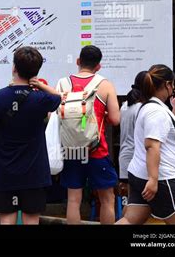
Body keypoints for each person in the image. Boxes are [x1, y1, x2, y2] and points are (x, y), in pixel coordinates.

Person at [0, 47, 61, 225]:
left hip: (6, 171)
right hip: (35, 172)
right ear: (36, 72)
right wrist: (39, 85)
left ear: (14, 68)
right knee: (31, 219)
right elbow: (58, 96)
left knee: (7, 217)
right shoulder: (41, 99)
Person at [117, 64, 175, 225]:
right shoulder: (156, 111)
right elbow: (152, 145)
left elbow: (169, 136)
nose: (174, 87)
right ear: (167, 84)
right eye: (173, 83)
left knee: (130, 220)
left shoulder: (150, 107)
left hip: (140, 173)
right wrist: (153, 179)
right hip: (162, 176)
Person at [58, 45, 120, 225]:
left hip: (71, 149)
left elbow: (54, 115)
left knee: (73, 200)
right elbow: (115, 119)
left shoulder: (63, 84)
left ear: (78, 61)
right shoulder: (105, 85)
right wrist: (102, 117)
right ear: (98, 66)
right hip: (97, 149)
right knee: (107, 199)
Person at [117, 71, 147, 206]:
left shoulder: (124, 106)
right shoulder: (142, 108)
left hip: (125, 157)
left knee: (132, 202)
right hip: (138, 158)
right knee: (139, 203)